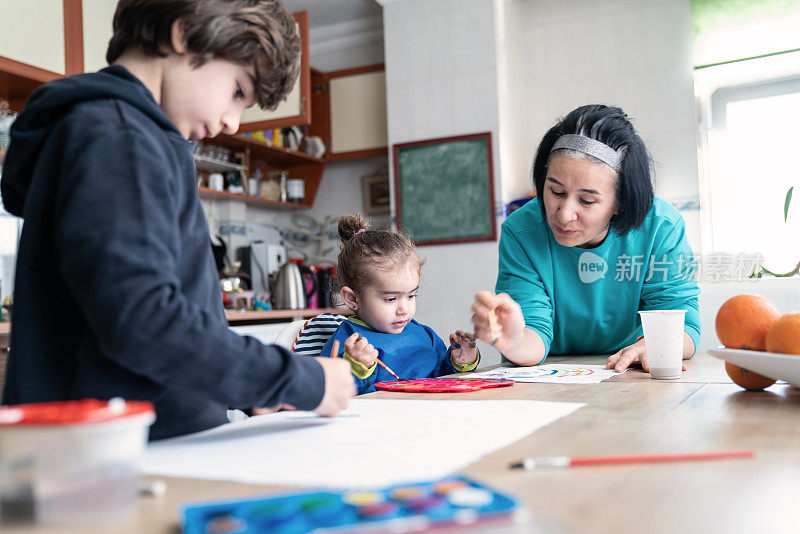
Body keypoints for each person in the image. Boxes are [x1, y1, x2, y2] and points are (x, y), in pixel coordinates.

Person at [0, 0, 355, 440]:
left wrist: (247, 389)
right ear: (185, 34)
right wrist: (299, 379)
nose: (231, 122)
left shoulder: (132, 136)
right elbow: (145, 322)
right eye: (238, 92)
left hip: (137, 439)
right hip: (121, 450)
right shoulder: (119, 136)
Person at [471, 104, 700, 374]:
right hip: (547, 372)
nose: (565, 214)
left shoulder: (661, 227)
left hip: (626, 368)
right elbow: (533, 331)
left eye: (587, 200)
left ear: (620, 203)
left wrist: (660, 344)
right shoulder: (521, 232)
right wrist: (514, 340)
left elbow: (683, 322)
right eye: (556, 192)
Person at [320, 214, 480, 394]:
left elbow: (443, 375)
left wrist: (460, 362)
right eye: (391, 299)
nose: (404, 309)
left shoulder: (424, 334)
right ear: (353, 299)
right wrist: (357, 370)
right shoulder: (348, 342)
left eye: (411, 296)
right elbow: (330, 393)